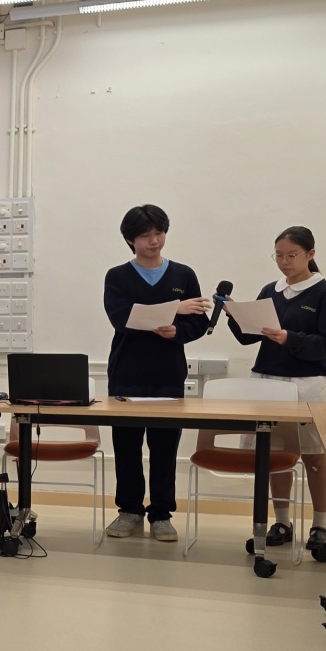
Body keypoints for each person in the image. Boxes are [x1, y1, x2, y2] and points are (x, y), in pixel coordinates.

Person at [225, 225, 326, 552]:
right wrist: (234, 314)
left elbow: (325, 344)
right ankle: (281, 521)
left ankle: (320, 525)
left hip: (309, 385)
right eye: (279, 255)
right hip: (268, 381)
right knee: (275, 456)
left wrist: (290, 338)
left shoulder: (325, 293)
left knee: (314, 457)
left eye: (292, 255)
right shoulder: (271, 289)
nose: (285, 262)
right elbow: (249, 336)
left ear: (310, 254)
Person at [102, 204, 212, 540]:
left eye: (159, 233)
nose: (154, 241)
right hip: (127, 374)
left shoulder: (183, 275)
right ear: (129, 239)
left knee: (165, 448)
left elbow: (199, 322)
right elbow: (123, 319)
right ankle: (129, 510)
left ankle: (162, 514)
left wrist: (177, 330)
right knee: (127, 447)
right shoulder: (117, 276)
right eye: (145, 235)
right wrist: (175, 308)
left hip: (168, 374)